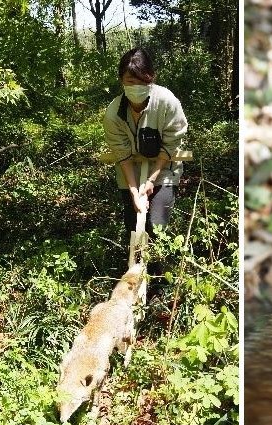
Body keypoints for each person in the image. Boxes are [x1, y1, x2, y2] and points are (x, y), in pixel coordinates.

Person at [103, 47, 187, 279]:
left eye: (142, 81)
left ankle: (159, 280)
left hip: (164, 168)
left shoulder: (167, 103)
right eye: (131, 81)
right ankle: (135, 278)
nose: (136, 87)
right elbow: (122, 155)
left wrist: (151, 180)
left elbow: (172, 143)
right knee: (133, 224)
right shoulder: (113, 114)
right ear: (121, 80)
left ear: (152, 78)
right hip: (130, 172)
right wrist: (133, 190)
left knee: (157, 225)